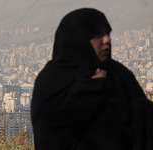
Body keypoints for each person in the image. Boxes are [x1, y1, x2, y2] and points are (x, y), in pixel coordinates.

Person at [31, 8, 152, 150]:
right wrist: (88, 91)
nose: (107, 39)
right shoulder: (52, 80)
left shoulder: (119, 74)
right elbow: (49, 130)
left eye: (107, 33)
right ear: (78, 39)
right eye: (97, 35)